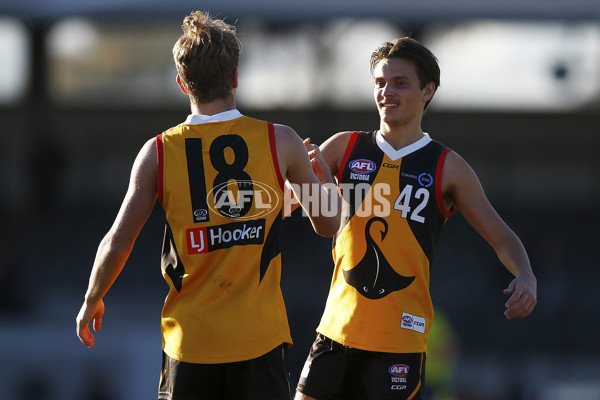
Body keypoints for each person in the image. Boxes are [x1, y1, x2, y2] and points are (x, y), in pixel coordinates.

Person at [75, 10, 340, 400]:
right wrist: (323, 181)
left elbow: (118, 241)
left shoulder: (157, 153)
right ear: (234, 77)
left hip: (190, 345)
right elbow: (329, 224)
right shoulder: (281, 141)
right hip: (258, 343)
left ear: (183, 83)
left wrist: (91, 299)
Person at [294, 37, 537, 400]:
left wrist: (526, 276)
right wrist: (303, 178)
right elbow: (278, 204)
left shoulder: (447, 166)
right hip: (334, 334)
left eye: (400, 83)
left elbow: (502, 237)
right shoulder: (344, 147)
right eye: (380, 83)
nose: (386, 92)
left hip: (399, 345)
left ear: (428, 91)